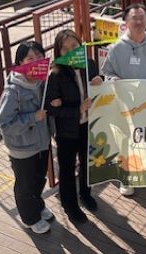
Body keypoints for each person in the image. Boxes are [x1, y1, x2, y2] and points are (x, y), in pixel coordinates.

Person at [101, 3, 146, 197]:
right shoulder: (116, 48)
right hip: (125, 104)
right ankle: (126, 178)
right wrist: (113, 80)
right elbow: (107, 72)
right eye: (134, 18)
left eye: (142, 17)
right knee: (125, 141)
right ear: (126, 22)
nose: (139, 22)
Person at [0, 41, 53, 234]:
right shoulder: (13, 90)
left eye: (39, 56)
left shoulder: (42, 82)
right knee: (25, 184)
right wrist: (32, 118)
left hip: (41, 142)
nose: (36, 61)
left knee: (38, 179)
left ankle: (38, 206)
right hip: (22, 147)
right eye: (30, 58)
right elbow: (4, 123)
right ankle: (30, 218)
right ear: (20, 62)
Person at [46, 30, 101, 224]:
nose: (70, 51)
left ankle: (85, 194)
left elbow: (97, 87)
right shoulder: (56, 74)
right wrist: (77, 109)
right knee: (67, 169)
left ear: (81, 45)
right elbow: (51, 109)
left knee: (87, 163)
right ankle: (70, 206)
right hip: (66, 131)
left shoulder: (90, 64)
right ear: (58, 51)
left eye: (74, 46)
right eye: (65, 48)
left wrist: (100, 80)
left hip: (89, 125)